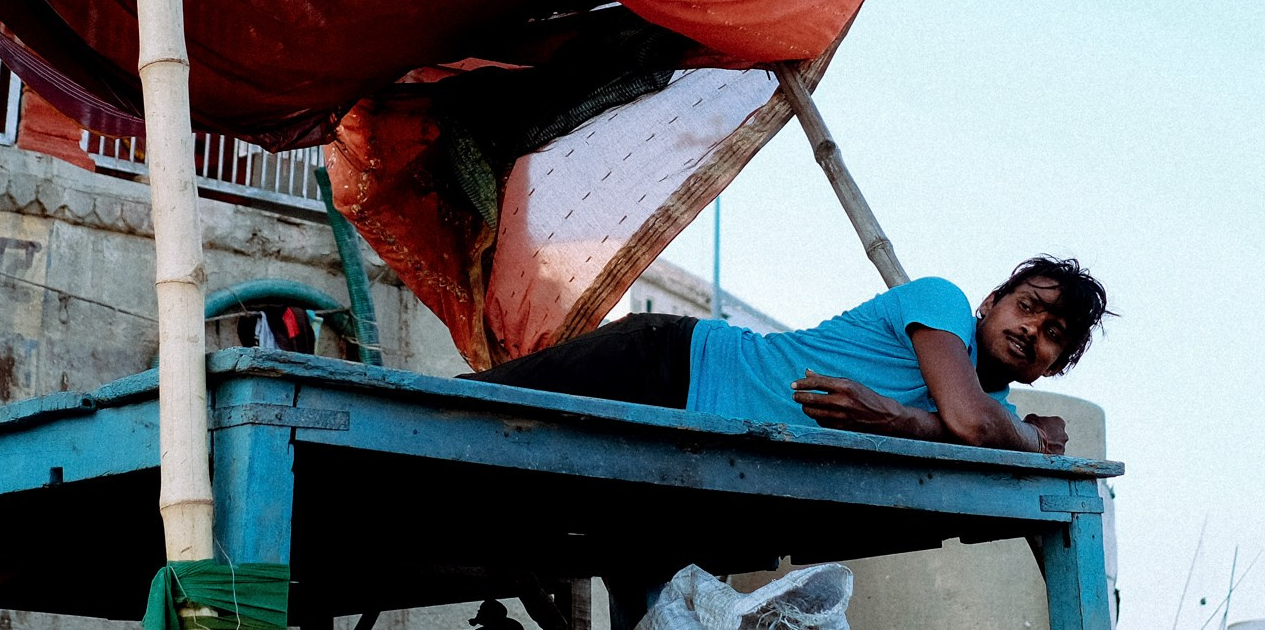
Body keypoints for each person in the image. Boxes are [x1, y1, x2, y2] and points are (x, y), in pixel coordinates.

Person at [469, 256, 1110, 456]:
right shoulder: (941, 305)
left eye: (1054, 333)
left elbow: (966, 423)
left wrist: (909, 422)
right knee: (454, 414)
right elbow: (968, 423)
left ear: (1055, 366)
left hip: (691, 440)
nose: (1032, 330)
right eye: (1027, 306)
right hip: (671, 363)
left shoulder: (992, 417)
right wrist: (1029, 439)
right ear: (991, 300)